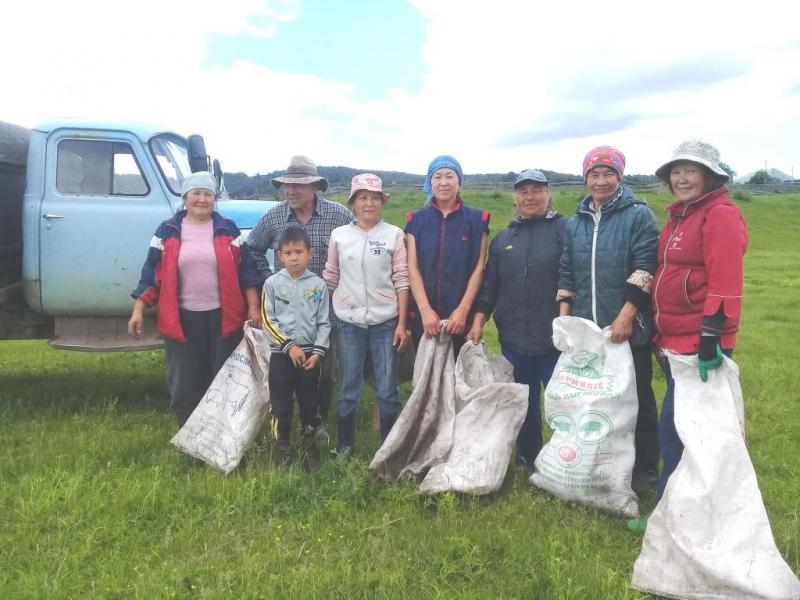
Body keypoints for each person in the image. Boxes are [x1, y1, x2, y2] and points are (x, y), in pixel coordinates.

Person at [627, 140, 748, 532]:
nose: (681, 178)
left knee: (678, 430)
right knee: (684, 427)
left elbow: (725, 282)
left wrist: (712, 337)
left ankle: (671, 513)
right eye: (676, 171)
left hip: (701, 343)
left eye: (690, 171)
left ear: (709, 175)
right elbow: (667, 272)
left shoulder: (720, 215)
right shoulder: (681, 216)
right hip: (676, 341)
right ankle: (687, 506)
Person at [557, 146, 661, 493]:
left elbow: (646, 267)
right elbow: (567, 272)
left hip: (629, 329)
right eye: (594, 174)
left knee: (637, 399)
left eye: (608, 174)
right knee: (594, 402)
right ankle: (595, 466)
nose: (600, 181)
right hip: (588, 331)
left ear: (620, 176)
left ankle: (644, 472)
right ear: (585, 178)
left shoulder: (638, 216)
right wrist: (565, 322)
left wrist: (626, 315)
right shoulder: (575, 223)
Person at [128, 171, 261, 426]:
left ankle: (223, 435)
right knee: (186, 381)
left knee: (226, 378)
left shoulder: (228, 228)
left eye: (207, 194)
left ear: (214, 198)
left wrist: (253, 307)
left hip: (224, 318)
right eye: (196, 193)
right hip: (181, 318)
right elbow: (151, 274)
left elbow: (247, 271)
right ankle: (189, 434)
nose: (202, 199)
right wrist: (138, 310)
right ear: (185, 197)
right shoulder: (167, 231)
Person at [247, 155, 351, 442]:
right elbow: (252, 248)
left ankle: (317, 424)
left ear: (315, 186)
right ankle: (284, 428)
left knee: (325, 372)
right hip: (286, 317)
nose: (291, 192)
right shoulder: (274, 216)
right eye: (287, 186)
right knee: (284, 373)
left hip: (326, 313)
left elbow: (356, 247)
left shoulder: (339, 215)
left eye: (299, 186)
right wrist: (270, 277)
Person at [467, 169, 566, 470]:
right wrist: (478, 320)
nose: (530, 196)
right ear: (515, 198)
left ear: (548, 194)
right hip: (513, 337)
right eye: (523, 191)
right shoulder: (504, 239)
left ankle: (566, 460)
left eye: (537, 190)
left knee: (563, 404)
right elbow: (490, 286)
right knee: (523, 402)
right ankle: (527, 456)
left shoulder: (566, 230)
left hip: (554, 338)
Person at [323, 174, 409, 457]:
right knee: (349, 387)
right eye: (362, 198)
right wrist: (320, 314)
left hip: (386, 323)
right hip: (349, 323)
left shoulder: (394, 234)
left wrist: (402, 323)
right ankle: (345, 445)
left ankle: (389, 449)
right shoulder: (339, 236)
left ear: (382, 202)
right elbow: (331, 277)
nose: (369, 203)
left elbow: (401, 280)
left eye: (374, 198)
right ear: (353, 203)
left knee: (387, 389)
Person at [405, 155, 489, 357]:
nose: (444, 182)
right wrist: (425, 310)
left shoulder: (478, 220)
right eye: (437, 176)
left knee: (460, 382)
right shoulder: (415, 220)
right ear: (430, 182)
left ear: (459, 181)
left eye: (450, 176)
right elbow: (412, 267)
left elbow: (479, 267)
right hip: (424, 319)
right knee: (426, 379)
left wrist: (463, 310)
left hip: (460, 319)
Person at [261, 227, 331, 471]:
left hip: (310, 357)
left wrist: (318, 352)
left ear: (310, 253)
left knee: (310, 403)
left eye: (299, 252)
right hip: (282, 356)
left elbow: (324, 321)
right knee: (281, 405)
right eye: (288, 253)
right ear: (279, 255)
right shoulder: (271, 284)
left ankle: (309, 447)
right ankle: (282, 448)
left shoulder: (318, 285)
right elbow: (268, 320)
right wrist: (288, 346)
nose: (293, 257)